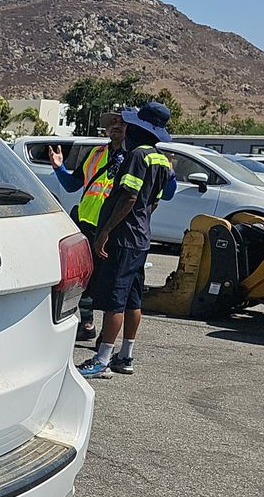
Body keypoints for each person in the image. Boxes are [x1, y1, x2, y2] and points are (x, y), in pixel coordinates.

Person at [78, 101, 178, 378]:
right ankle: (126, 355)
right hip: (142, 237)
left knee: (115, 300)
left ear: (139, 128)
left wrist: (106, 231)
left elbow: (129, 196)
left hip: (123, 239)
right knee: (134, 300)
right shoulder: (161, 160)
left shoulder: (137, 156)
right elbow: (154, 202)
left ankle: (102, 359)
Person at [48, 112, 127, 338]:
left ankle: (107, 335)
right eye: (112, 124)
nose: (115, 127)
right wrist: (59, 168)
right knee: (85, 279)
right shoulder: (95, 154)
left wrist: (170, 173)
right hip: (87, 224)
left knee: (110, 282)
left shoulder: (134, 156)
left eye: (121, 124)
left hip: (114, 228)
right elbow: (73, 185)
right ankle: (87, 324)